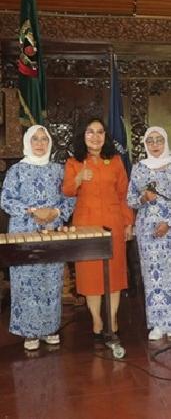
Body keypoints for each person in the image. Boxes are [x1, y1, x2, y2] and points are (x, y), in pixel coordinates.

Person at [1, 126, 74, 350]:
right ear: (28, 142)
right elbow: (6, 199)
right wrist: (32, 212)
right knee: (26, 280)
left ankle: (50, 328)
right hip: (24, 231)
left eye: (44, 139)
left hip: (52, 230)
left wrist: (55, 212)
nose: (40, 143)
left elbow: (70, 197)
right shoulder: (17, 170)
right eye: (35, 139)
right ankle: (29, 332)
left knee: (51, 279)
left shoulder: (58, 170)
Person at [62, 118, 134, 340]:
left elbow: (124, 194)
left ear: (105, 136)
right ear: (83, 136)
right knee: (91, 275)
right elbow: (67, 191)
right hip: (86, 225)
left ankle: (112, 319)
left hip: (114, 223)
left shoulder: (116, 161)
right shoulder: (74, 162)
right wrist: (78, 178)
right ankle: (96, 320)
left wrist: (128, 222)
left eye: (100, 132)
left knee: (114, 273)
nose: (95, 136)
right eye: (90, 132)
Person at [127, 126, 171, 341]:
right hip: (147, 231)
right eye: (150, 141)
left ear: (166, 142)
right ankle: (157, 323)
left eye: (159, 140)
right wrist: (144, 198)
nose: (155, 145)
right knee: (153, 276)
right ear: (145, 144)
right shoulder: (139, 168)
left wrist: (169, 222)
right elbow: (130, 200)